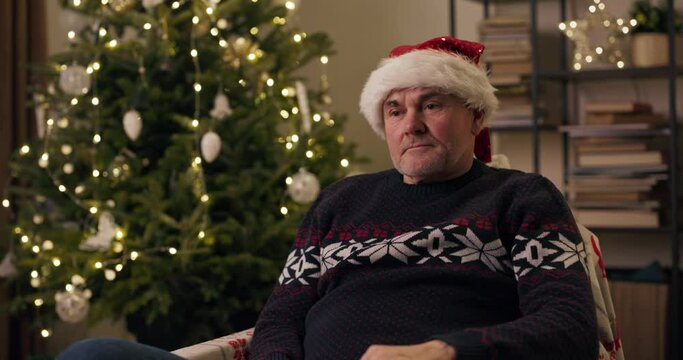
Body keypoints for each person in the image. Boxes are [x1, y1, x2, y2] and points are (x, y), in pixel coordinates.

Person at [248, 36, 598, 360]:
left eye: (431, 105)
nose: (411, 125)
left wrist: (443, 352)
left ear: (476, 117)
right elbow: (279, 321)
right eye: (395, 111)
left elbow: (569, 327)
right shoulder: (338, 201)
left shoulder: (520, 197)